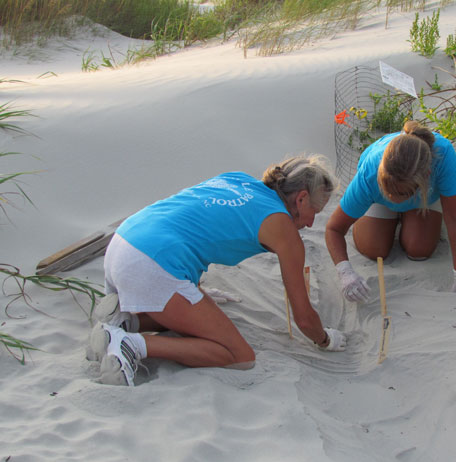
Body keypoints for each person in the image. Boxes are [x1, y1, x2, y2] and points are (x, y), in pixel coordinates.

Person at [86, 155, 347, 386]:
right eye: (314, 211)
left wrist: (196, 291)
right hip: (150, 264)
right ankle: (131, 345)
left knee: (192, 305)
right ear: (301, 198)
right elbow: (303, 318)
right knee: (239, 356)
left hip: (123, 242)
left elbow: (197, 227)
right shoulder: (283, 229)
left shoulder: (237, 179)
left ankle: (127, 320)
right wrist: (325, 339)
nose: (312, 223)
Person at [325, 120, 456, 301]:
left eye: (399, 193)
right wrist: (345, 272)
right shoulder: (370, 171)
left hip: (424, 197)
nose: (393, 198)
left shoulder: (444, 156)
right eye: (389, 190)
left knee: (419, 249)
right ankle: (389, 214)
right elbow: (333, 228)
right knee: (374, 249)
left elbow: (455, 218)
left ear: (427, 176)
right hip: (381, 199)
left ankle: (406, 215)